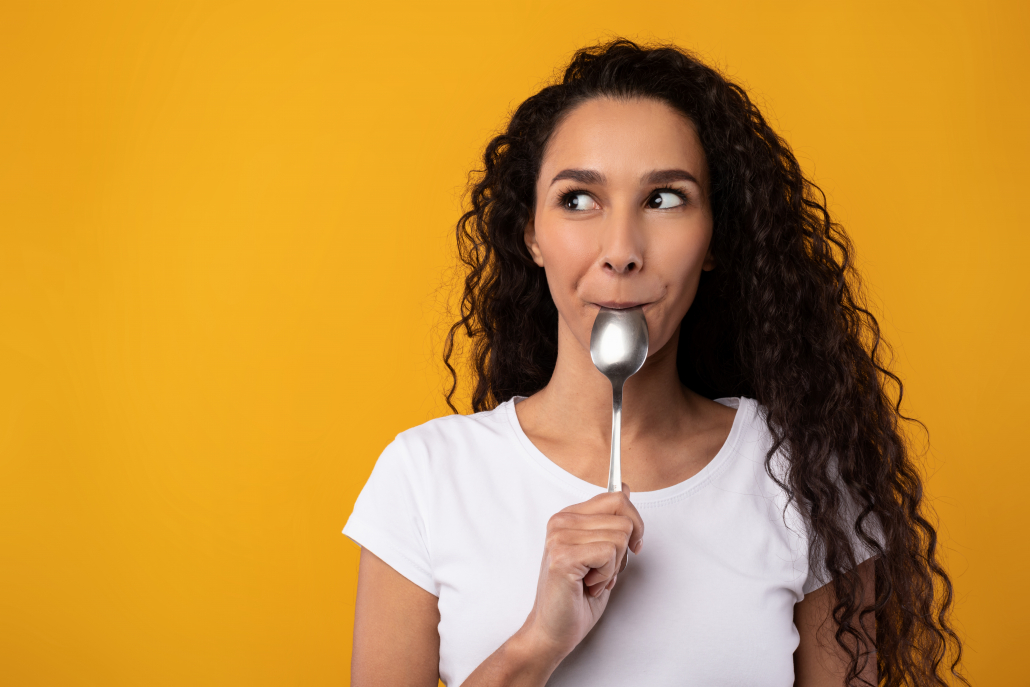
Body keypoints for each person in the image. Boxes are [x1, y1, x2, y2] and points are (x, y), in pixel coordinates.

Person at [343, 40, 965, 686]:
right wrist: (537, 643)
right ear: (530, 232)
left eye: (664, 199)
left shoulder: (801, 475)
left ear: (717, 236)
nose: (621, 251)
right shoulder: (423, 480)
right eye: (579, 199)